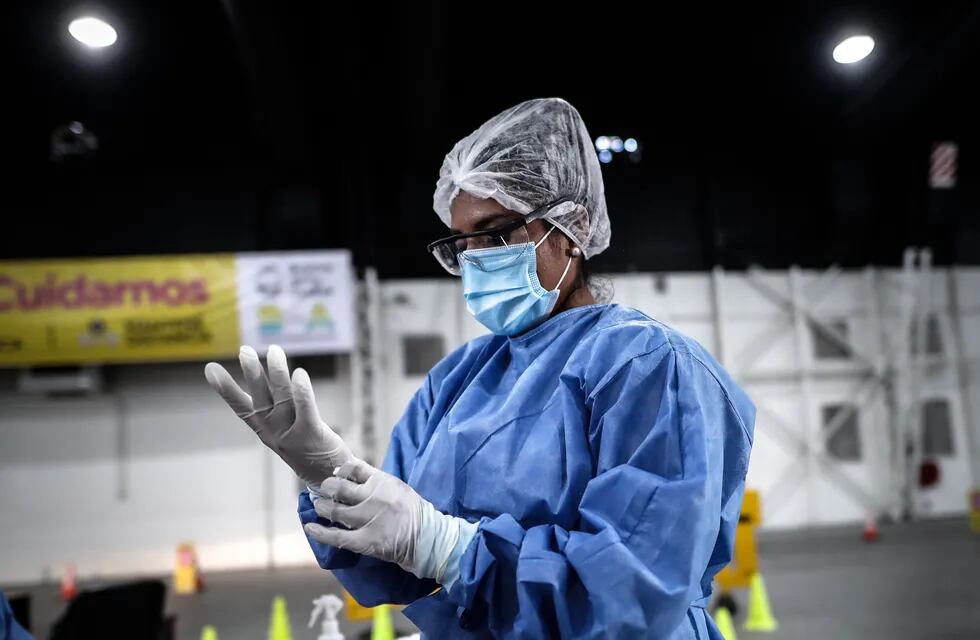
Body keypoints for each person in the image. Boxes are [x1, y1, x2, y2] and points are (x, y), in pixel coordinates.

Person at [206, 98, 755, 638]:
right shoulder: (455, 382)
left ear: (573, 228)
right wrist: (329, 477)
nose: (476, 261)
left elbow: (633, 594)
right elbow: (388, 570)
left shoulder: (649, 368)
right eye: (462, 243)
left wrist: (445, 546)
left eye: (495, 234)